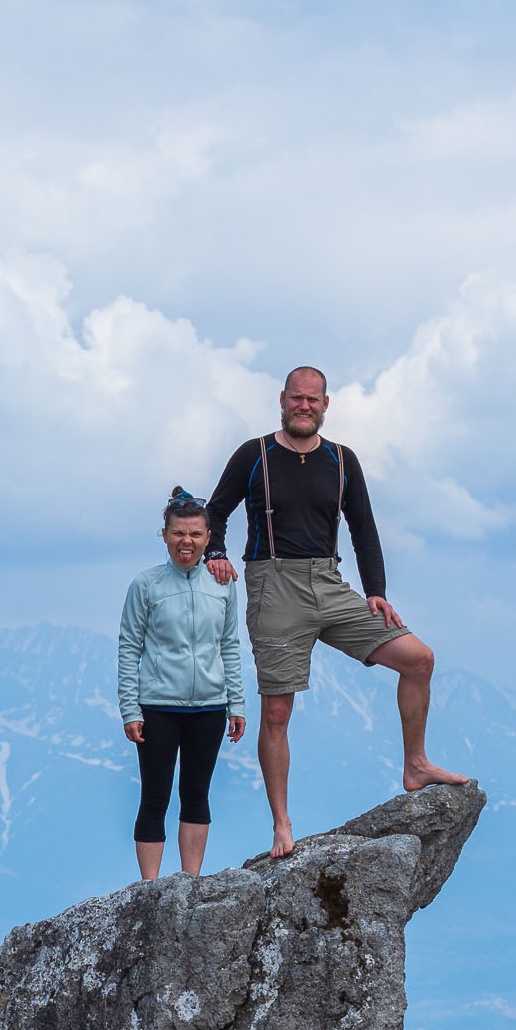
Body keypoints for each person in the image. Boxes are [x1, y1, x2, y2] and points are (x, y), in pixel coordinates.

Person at [205, 364, 467, 857]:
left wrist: (376, 590)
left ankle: (416, 764)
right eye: (296, 399)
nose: (304, 407)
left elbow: (363, 526)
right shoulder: (254, 454)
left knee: (419, 659)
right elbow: (216, 510)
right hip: (273, 582)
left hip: (330, 582)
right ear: (282, 400)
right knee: (278, 710)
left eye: (313, 400)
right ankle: (282, 824)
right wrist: (215, 554)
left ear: (327, 405)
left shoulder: (342, 460)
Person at [117, 488, 246, 879]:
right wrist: (129, 708)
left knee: (196, 796)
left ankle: (190, 884)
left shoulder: (222, 585)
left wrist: (235, 703)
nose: (185, 542)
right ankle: (150, 890)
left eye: (194, 534)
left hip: (209, 706)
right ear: (164, 535)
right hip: (157, 706)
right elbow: (129, 648)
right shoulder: (147, 585)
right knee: (154, 797)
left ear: (208, 538)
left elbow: (229, 645)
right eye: (178, 533)